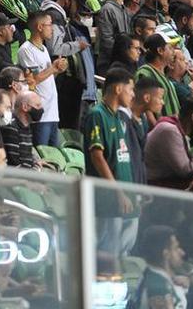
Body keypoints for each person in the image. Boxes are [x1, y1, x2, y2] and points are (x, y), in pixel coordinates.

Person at [84, 67, 138, 275]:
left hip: (124, 196)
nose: (133, 95)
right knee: (106, 252)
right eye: (130, 89)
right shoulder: (97, 115)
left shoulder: (117, 117)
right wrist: (118, 192)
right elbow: (97, 156)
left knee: (120, 253)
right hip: (108, 199)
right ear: (117, 88)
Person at [19, 9, 68, 146]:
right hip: (40, 114)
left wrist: (58, 69)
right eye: (49, 24)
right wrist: (53, 68)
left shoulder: (44, 49)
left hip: (53, 111)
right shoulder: (26, 49)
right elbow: (34, 79)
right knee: (43, 154)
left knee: (54, 158)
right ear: (40, 27)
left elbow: (47, 77)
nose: (52, 28)